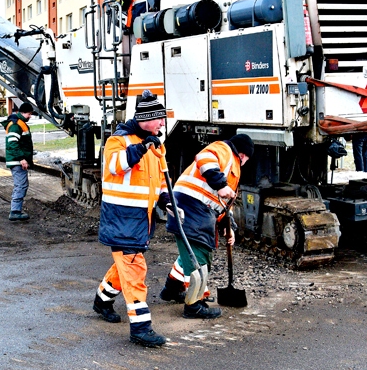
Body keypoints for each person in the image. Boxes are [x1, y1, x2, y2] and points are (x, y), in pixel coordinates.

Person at [93, 90, 170, 347]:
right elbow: (115, 165)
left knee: (124, 266)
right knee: (135, 270)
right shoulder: (118, 141)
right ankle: (140, 328)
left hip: (139, 220)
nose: (162, 123)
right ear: (146, 119)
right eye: (159, 118)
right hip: (122, 219)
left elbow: (159, 179)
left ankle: (102, 301)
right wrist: (142, 147)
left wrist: (166, 200)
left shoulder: (155, 144)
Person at [160, 134, 255, 319]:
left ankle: (171, 289)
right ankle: (194, 306)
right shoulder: (225, 150)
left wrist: (228, 226)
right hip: (191, 207)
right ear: (244, 155)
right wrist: (220, 184)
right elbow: (204, 157)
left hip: (194, 208)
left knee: (190, 253)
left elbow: (222, 203)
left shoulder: (232, 166)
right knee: (200, 255)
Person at [3, 102, 34, 221]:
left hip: (18, 160)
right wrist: (22, 158)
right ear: (23, 112)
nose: (30, 116)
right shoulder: (16, 125)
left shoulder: (19, 123)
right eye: (29, 114)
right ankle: (15, 211)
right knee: (20, 185)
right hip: (17, 161)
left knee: (22, 185)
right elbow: (12, 143)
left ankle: (16, 210)